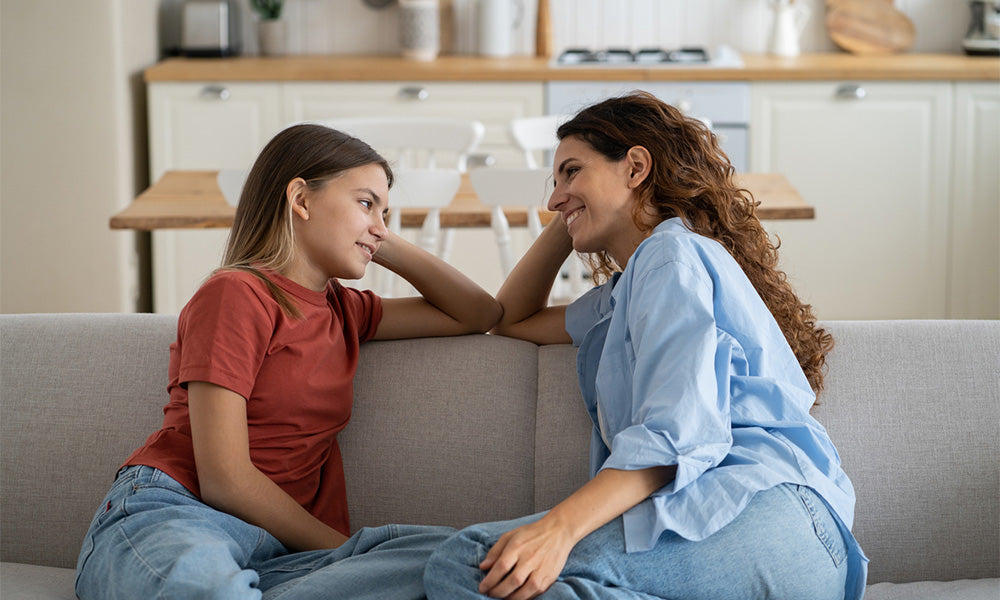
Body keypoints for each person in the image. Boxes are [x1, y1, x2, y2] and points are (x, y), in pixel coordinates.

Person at [423, 91, 868, 600]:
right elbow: (511, 318)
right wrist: (572, 212)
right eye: (555, 181)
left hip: (760, 511)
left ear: (635, 166)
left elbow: (677, 433)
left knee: (471, 561)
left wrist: (559, 529)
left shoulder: (669, 257)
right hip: (785, 537)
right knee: (517, 579)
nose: (553, 197)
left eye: (571, 171)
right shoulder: (628, 290)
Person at [75, 123, 502, 600]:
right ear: (301, 199)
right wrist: (352, 552)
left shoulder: (345, 310)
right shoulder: (237, 294)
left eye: (386, 210)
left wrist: (377, 236)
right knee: (213, 590)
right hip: (181, 513)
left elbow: (480, 313)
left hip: (284, 555)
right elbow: (225, 481)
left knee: (470, 559)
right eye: (365, 202)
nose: (380, 223)